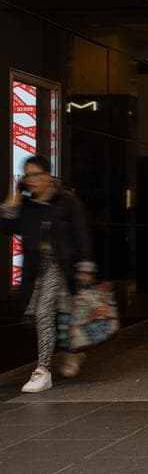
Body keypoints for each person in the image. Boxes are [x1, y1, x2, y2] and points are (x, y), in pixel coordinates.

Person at [1, 155, 96, 394]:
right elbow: (7, 227)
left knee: (44, 312)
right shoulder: (27, 205)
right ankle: (71, 350)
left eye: (35, 175)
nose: (30, 180)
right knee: (49, 314)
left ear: (47, 175)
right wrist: (13, 200)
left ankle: (43, 370)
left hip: (61, 266)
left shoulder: (66, 200)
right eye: (27, 175)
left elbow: (82, 232)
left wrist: (86, 264)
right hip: (36, 269)